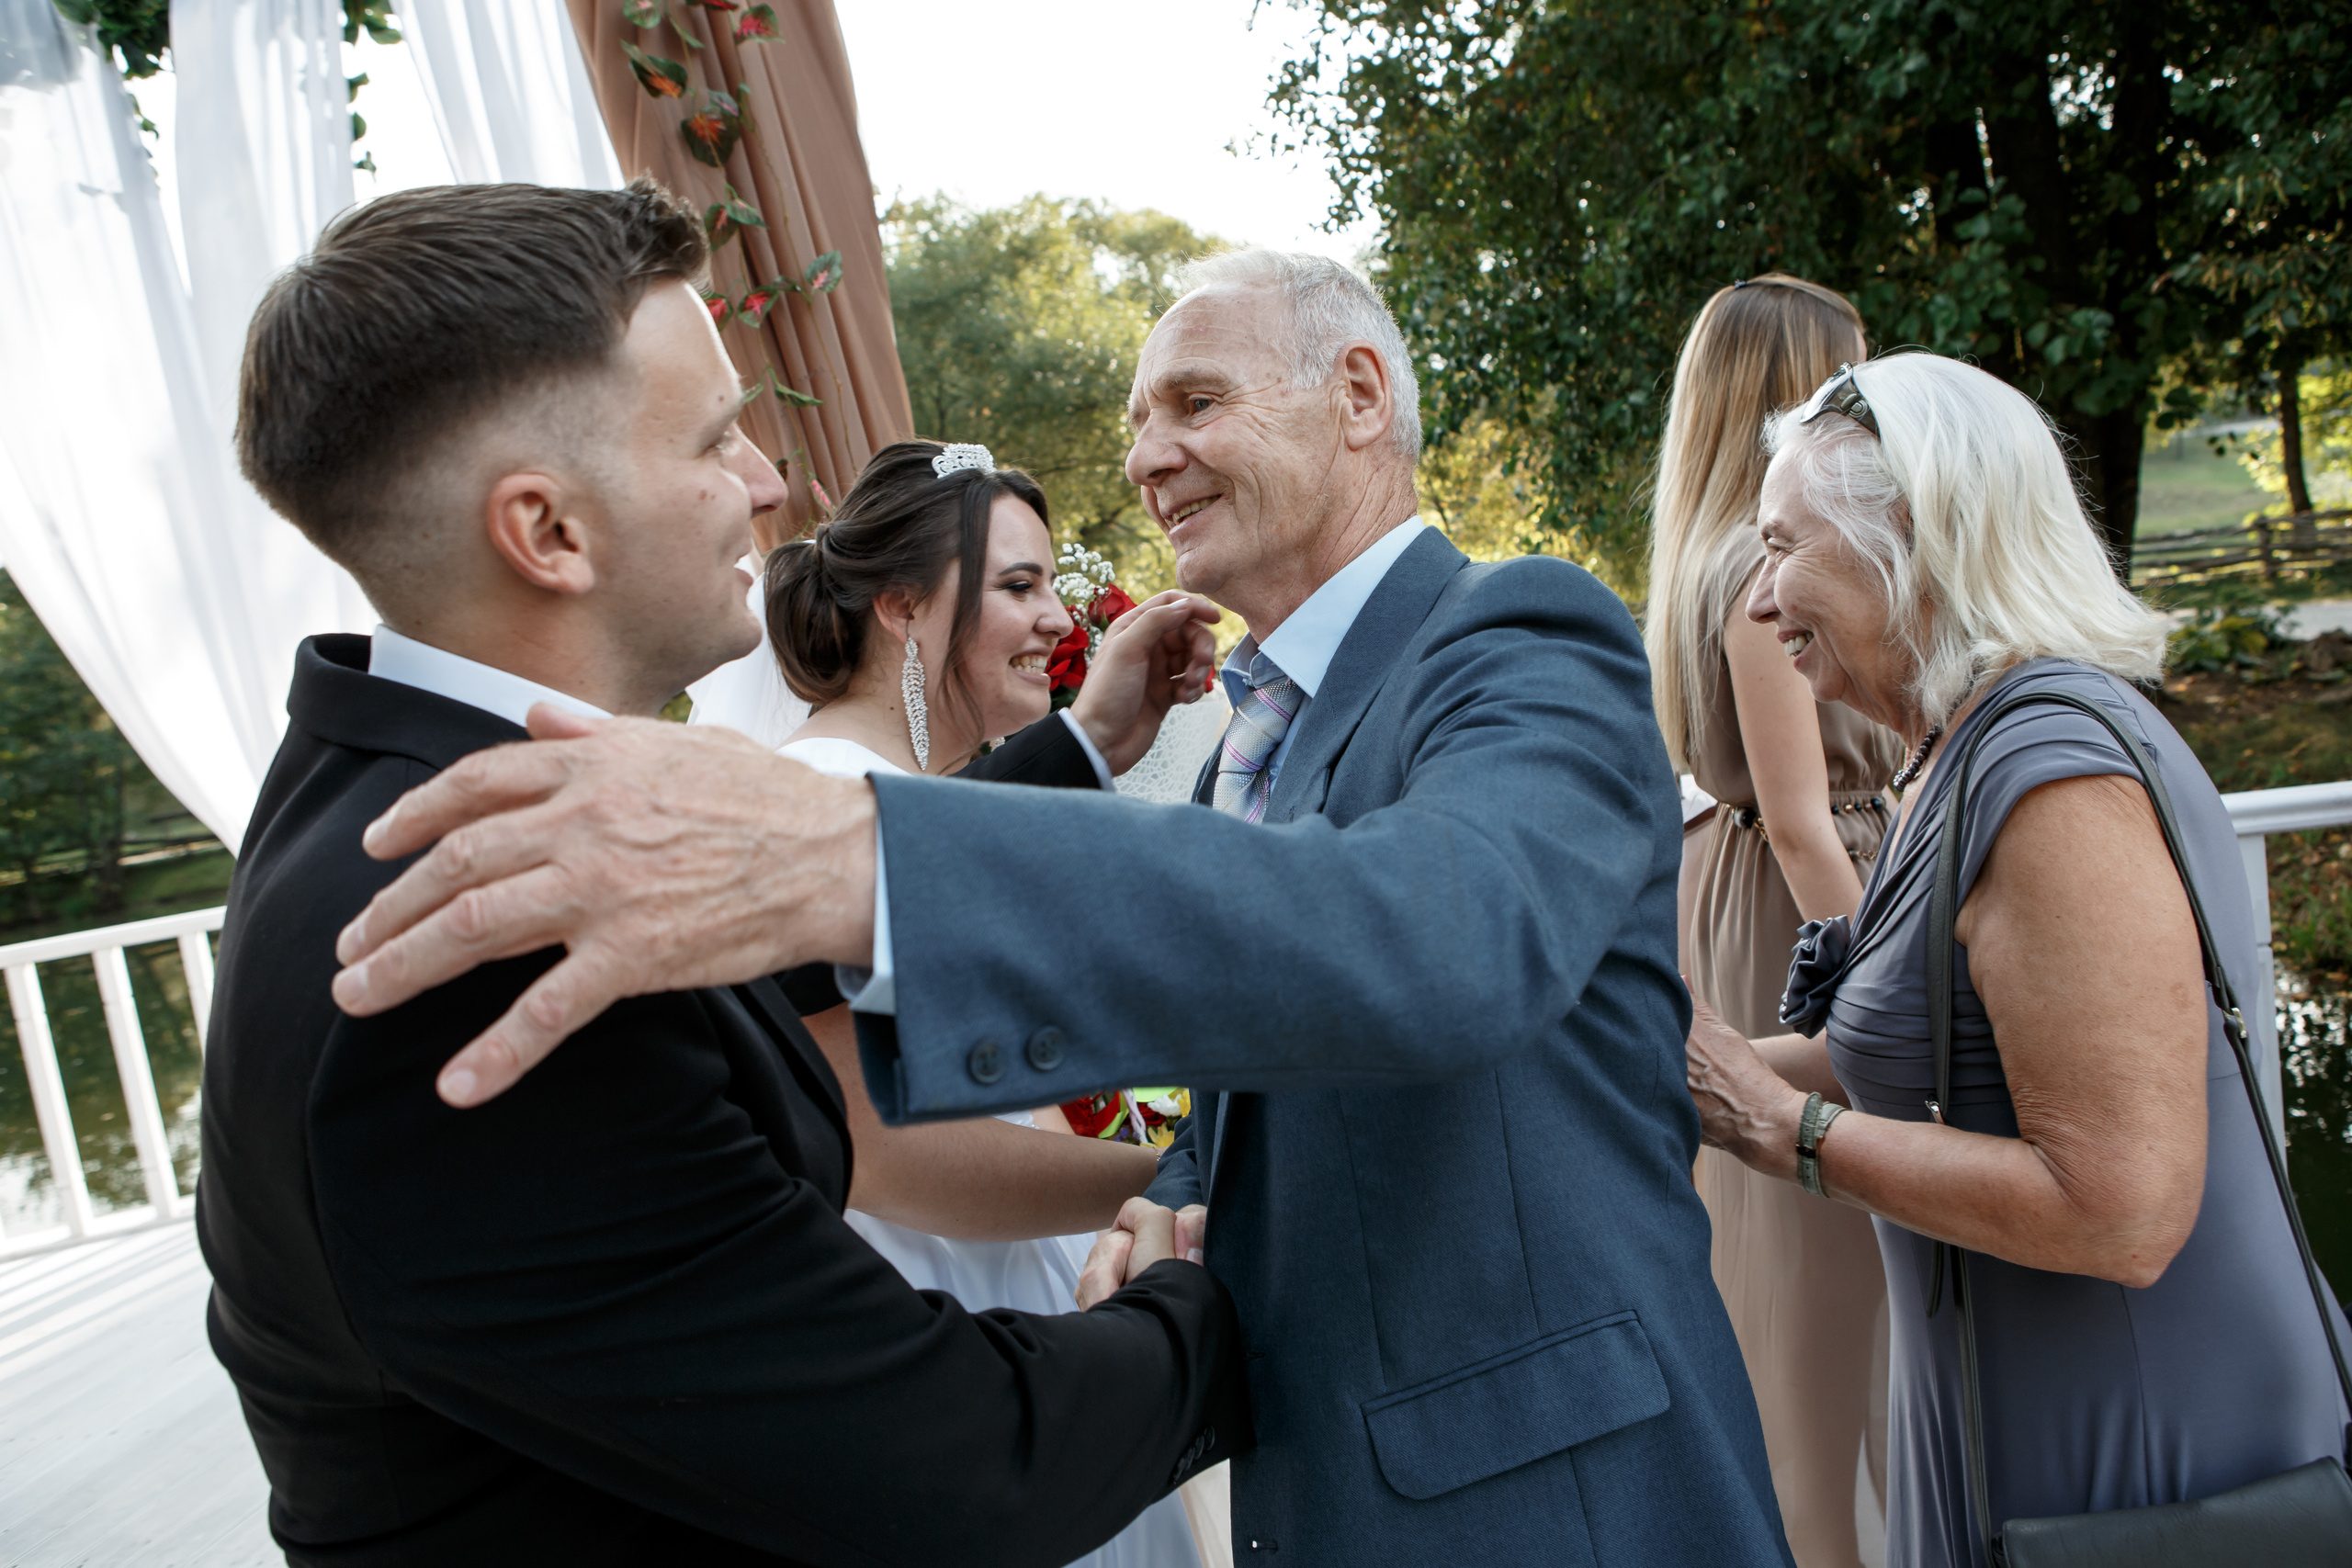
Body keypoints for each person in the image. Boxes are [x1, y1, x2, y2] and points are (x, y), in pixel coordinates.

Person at [331, 247, 1795, 1566]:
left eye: (1195, 402)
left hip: (1551, 1498)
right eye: (1139, 422)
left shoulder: (1522, 632)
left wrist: (866, 859)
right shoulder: (1241, 748)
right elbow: (1263, 1070)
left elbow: (1443, 936)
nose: (1146, 458)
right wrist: (1168, 1196)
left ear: (1359, 394)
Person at [197, 179, 1247, 1566]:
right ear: (548, 532)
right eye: (713, 438)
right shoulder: (488, 945)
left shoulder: (404, 782)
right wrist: (1235, 1262)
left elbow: (791, 927)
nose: (768, 485)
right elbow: (961, 1466)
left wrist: (1083, 747)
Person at [1679, 352, 2352, 1567]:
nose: (1761, 599)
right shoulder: (1949, 752)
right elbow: (1930, 1046)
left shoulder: (2050, 785)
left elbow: (2122, 1209)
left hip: (2138, 1451)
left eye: (1780, 547)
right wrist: (1692, 1067)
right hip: (2017, 1404)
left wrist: (1786, 1132)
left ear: (1913, 538)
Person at [762, 437, 1203, 1568]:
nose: (1058, 618)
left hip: (1026, 1290)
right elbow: (878, 1149)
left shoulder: (915, 805)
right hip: (940, 1321)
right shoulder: (827, 801)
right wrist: (1179, 1182)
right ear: (901, 605)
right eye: (1018, 585)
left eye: (1052, 583)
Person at [1645, 276, 1898, 1568]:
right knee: (1819, 1325)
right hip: (1816, 918)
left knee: (1808, 1310)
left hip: (1751, 908)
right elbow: (1800, 820)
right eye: (1848, 372)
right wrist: (1891, 996)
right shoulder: (1762, 569)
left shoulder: (1703, 557)